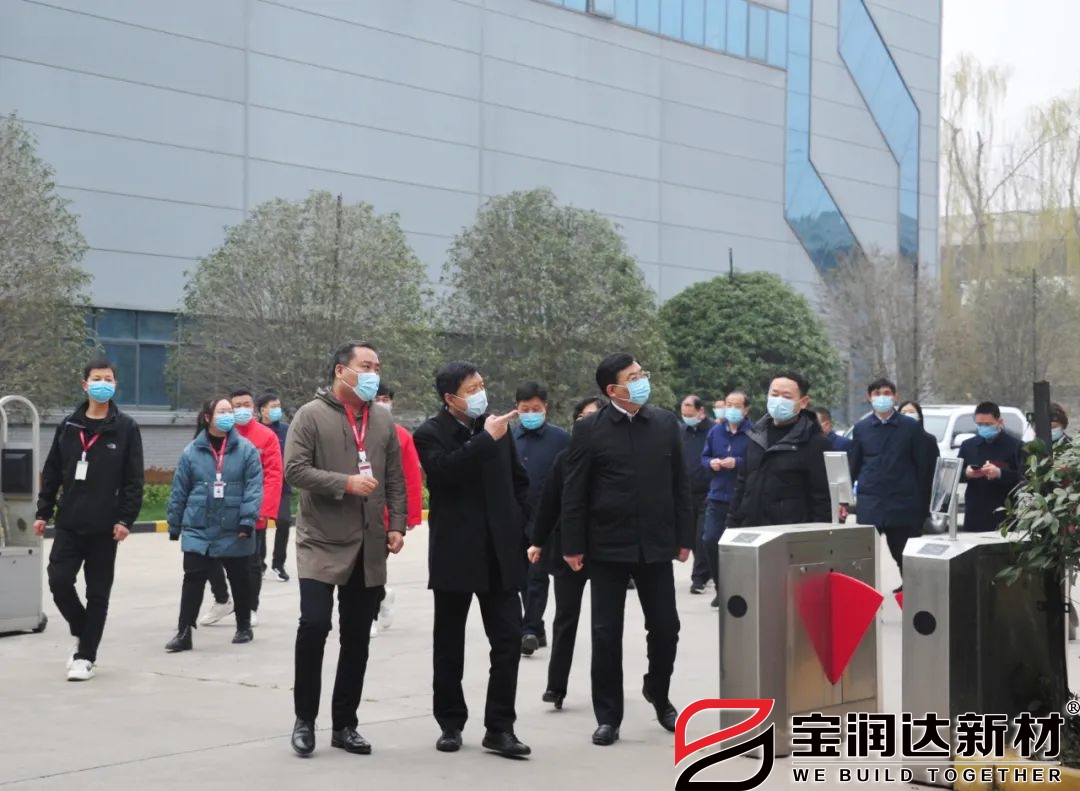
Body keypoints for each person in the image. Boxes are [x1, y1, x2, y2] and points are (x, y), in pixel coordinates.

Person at [561, 354, 694, 747]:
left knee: (666, 627)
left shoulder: (665, 423)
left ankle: (658, 690)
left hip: (656, 543)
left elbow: (680, 483)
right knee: (606, 633)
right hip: (607, 545)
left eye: (642, 375)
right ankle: (608, 716)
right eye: (632, 377)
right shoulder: (589, 430)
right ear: (612, 390)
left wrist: (684, 536)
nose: (641, 381)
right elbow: (574, 490)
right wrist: (572, 544)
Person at [285, 341, 407, 757]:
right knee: (314, 624)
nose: (373, 374)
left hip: (368, 541)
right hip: (320, 539)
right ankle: (304, 720)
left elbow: (395, 476)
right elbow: (295, 470)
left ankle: (345, 724)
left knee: (357, 637)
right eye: (365, 366)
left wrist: (397, 524)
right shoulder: (310, 415)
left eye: (377, 366)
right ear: (341, 370)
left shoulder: (382, 419)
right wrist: (344, 483)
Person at [413, 361, 532, 758]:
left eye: (482, 384)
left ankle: (500, 727)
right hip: (456, 554)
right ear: (451, 398)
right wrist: (485, 440)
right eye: (472, 388)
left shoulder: (495, 428)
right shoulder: (430, 433)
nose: (481, 393)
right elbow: (443, 473)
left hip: (500, 552)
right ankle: (450, 723)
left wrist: (523, 526)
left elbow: (519, 482)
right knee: (449, 643)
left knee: (508, 640)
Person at [34, 358, 144, 682]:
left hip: (105, 527)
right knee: (58, 581)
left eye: (108, 379)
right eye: (97, 378)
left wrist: (125, 519)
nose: (102, 384)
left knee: (98, 593)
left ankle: (86, 656)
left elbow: (133, 480)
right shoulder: (69, 425)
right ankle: (84, 631)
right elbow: (52, 471)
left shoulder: (126, 428)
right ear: (85, 385)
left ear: (115, 385)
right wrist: (43, 511)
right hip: (70, 522)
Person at [165, 397, 264, 652]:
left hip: (234, 525)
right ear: (207, 417)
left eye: (230, 411)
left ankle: (243, 625)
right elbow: (179, 490)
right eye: (222, 411)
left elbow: (254, 488)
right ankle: (184, 632)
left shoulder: (246, 450)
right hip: (199, 525)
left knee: (239, 578)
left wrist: (247, 520)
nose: (228, 415)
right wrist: (175, 523)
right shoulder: (191, 452)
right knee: (192, 578)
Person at [527, 396, 603, 710]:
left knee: (604, 625)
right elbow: (549, 503)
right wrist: (538, 541)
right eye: (583, 418)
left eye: (595, 417)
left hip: (605, 550)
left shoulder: (616, 462)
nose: (589, 424)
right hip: (567, 548)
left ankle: (605, 690)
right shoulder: (565, 458)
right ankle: (556, 687)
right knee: (565, 618)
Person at [200, 389, 282, 628]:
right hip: (220, 508)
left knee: (251, 562)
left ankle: (250, 607)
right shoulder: (219, 434)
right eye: (236, 406)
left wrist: (263, 509)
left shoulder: (266, 436)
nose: (241, 410)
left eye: (246, 404)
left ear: (254, 408)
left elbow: (274, 474)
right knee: (207, 553)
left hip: (252, 508)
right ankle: (222, 598)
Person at [849, 379, 931, 588]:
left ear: (895, 396)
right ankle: (864, 596)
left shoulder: (910, 427)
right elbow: (853, 465)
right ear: (869, 398)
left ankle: (913, 593)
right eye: (877, 393)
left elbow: (922, 467)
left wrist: (922, 506)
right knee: (861, 556)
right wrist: (844, 497)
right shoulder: (861, 428)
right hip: (870, 502)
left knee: (902, 553)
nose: (882, 397)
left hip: (902, 503)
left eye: (887, 393)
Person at [727, 372, 831, 530]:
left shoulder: (815, 443)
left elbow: (822, 499)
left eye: (787, 396)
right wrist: (732, 524)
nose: (779, 401)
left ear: (803, 402)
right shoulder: (755, 436)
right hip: (751, 530)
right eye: (774, 395)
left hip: (790, 534)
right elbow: (742, 486)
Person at [513, 382, 570, 656]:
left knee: (537, 575)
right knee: (521, 577)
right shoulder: (508, 437)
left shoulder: (561, 439)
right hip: (515, 517)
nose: (530, 414)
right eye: (525, 409)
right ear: (516, 409)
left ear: (545, 408)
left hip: (546, 519)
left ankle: (530, 629)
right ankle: (537, 627)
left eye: (535, 408)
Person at [371, 383, 424, 637]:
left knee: (373, 566)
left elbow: (411, 477)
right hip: (355, 512)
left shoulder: (402, 436)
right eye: (377, 398)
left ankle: (369, 615)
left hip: (385, 515)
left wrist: (409, 516)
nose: (382, 403)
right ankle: (382, 595)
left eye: (385, 398)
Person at [701, 390, 751, 607]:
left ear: (746, 410)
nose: (731, 409)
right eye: (728, 404)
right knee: (710, 540)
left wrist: (737, 462)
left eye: (737, 406)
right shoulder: (715, 431)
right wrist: (710, 463)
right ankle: (721, 587)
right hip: (717, 495)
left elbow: (757, 461)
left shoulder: (753, 433)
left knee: (738, 548)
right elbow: (704, 457)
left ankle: (739, 589)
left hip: (740, 497)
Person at [958, 401, 1025, 534]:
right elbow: (956, 473)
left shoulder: (1015, 446)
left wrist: (999, 473)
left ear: (999, 422)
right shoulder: (968, 446)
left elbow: (1023, 478)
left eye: (988, 424)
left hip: (1004, 512)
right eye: (979, 424)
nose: (983, 428)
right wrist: (967, 473)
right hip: (975, 512)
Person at [679, 395, 713, 595]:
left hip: (708, 492)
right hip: (686, 492)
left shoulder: (713, 431)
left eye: (689, 413)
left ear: (701, 411)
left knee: (702, 536)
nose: (686, 417)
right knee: (690, 535)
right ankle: (705, 571)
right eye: (683, 413)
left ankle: (699, 577)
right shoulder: (681, 432)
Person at [258, 392, 292, 581]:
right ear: (262, 410)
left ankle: (278, 564)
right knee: (260, 524)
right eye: (273, 407)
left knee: (284, 521)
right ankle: (259, 564)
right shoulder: (255, 430)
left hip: (282, 485)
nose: (277, 410)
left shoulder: (287, 430)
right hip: (259, 485)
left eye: (278, 406)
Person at [898, 400, 941, 534]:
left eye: (911, 412)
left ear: (919, 416)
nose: (907, 415)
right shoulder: (893, 439)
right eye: (903, 412)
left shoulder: (928, 440)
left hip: (919, 498)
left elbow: (934, 471)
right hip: (896, 499)